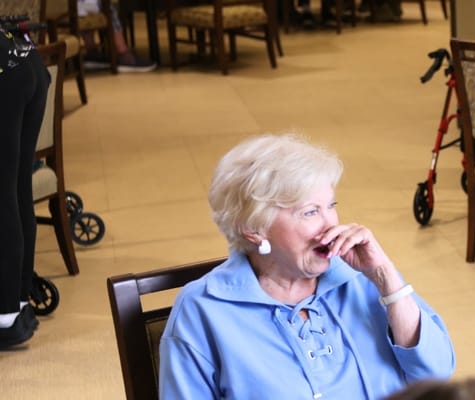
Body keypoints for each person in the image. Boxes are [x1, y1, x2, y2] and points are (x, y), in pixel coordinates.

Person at [159, 134, 455, 398]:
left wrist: (386, 276)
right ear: (254, 228)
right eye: (310, 212)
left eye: (331, 206)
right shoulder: (204, 309)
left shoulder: (360, 277)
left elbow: (436, 374)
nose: (330, 225)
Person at [0, 22, 50, 348]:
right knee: (17, 189)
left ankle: (5, 318)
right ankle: (18, 306)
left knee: (4, 194)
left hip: (5, 69)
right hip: (24, 57)